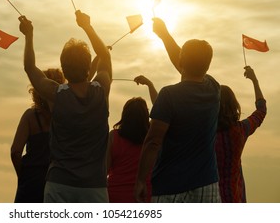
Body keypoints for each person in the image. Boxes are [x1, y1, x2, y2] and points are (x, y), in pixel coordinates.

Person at [19, 10, 112, 203]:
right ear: (88, 67)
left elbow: (30, 68)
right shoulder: (101, 90)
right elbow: (105, 56)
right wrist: (87, 26)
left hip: (59, 184)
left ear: (64, 67)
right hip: (94, 187)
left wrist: (29, 35)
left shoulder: (56, 95)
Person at [135, 18, 221, 203]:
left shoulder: (169, 96)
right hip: (207, 185)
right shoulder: (214, 89)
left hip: (169, 187)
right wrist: (164, 35)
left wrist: (141, 180)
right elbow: (186, 65)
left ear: (182, 60)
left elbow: (152, 142)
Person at [11, 68, 65, 203]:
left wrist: (22, 176)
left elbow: (15, 152)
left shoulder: (30, 116)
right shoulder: (66, 116)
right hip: (58, 182)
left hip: (32, 182)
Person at [215, 66, 266, 202]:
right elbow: (261, 110)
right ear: (234, 105)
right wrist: (254, 81)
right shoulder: (240, 130)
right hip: (235, 198)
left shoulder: (205, 133)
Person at [107, 76, 157, 203]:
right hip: (145, 196)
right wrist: (150, 84)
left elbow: (104, 170)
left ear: (124, 115)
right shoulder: (152, 135)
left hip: (115, 196)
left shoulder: (113, 137)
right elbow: (160, 109)